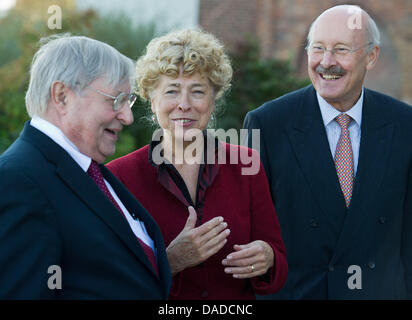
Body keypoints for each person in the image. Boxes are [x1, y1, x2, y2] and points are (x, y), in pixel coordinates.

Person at [243, 4, 412, 299]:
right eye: (317, 48)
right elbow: (250, 228)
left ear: (371, 57)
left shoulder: (405, 125)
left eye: (341, 50)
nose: (326, 62)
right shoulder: (266, 124)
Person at [107, 29, 288, 300]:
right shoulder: (118, 178)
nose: (184, 104)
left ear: (213, 100)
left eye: (197, 91)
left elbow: (278, 260)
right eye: (171, 91)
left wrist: (268, 257)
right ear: (152, 100)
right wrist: (171, 261)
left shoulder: (246, 165)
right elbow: (111, 282)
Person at [0, 34, 171, 299]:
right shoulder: (18, 180)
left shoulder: (90, 170)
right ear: (62, 96)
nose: (127, 117)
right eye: (116, 101)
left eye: (129, 101)